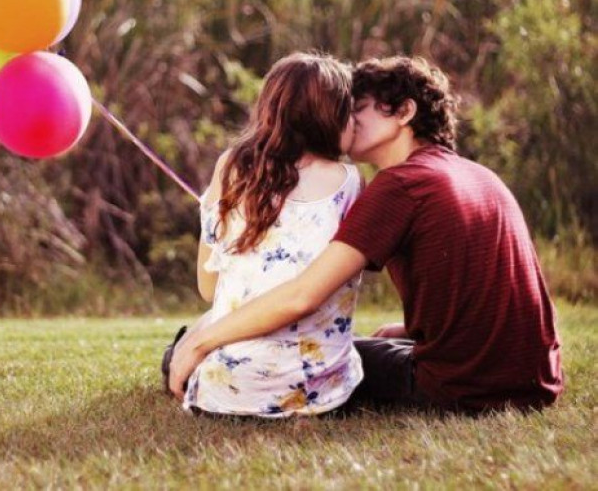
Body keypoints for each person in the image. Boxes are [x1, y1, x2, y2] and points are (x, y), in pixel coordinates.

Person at [169, 56, 563, 413]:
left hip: (461, 389)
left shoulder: (400, 186)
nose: (348, 119)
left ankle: (186, 350)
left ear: (404, 112)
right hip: (535, 380)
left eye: (357, 108)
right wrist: (408, 332)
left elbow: (303, 295)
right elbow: (494, 297)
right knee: (365, 343)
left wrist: (201, 342)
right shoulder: (476, 175)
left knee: (316, 354)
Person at [162, 52, 364, 417]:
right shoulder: (350, 182)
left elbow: (208, 289)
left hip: (229, 391)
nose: (356, 122)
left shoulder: (231, 167)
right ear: (330, 115)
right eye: (349, 111)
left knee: (187, 340)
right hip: (321, 392)